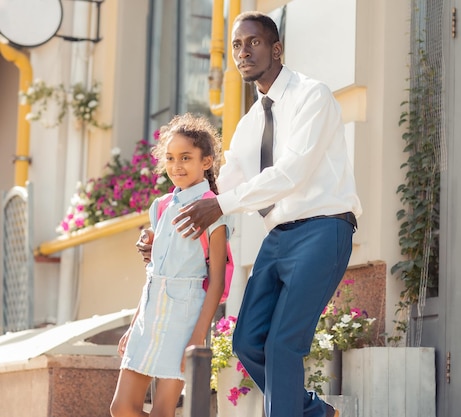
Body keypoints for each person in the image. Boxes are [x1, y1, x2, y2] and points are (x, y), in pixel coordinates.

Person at [138, 11, 361, 417]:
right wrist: (161, 232)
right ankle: (315, 413)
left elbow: (292, 172)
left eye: (253, 42)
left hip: (324, 228)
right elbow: (216, 191)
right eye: (237, 45)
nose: (243, 52)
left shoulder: (314, 96)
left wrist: (219, 204)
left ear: (276, 49)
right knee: (248, 340)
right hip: (278, 237)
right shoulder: (248, 124)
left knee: (282, 343)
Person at [111, 113, 228, 417]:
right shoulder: (161, 206)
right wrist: (134, 323)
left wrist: (197, 338)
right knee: (122, 407)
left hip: (184, 319)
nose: (177, 166)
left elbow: (216, 281)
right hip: (149, 318)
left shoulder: (213, 208)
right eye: (171, 158)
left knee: (164, 411)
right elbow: (153, 274)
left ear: (206, 161)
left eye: (186, 157)